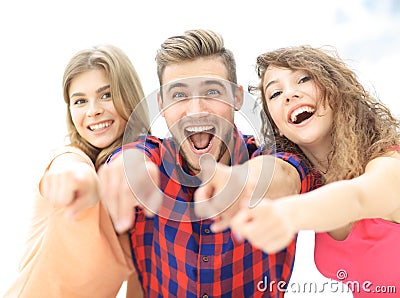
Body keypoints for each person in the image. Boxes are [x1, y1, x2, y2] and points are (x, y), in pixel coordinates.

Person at [99, 29, 319, 298]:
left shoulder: (271, 158)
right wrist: (129, 169)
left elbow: (285, 175)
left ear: (237, 98)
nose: (196, 110)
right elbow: (131, 156)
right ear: (161, 103)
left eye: (212, 91)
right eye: (178, 95)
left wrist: (241, 181)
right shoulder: (152, 157)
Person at [227, 46, 400, 297]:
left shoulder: (389, 160)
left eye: (304, 79)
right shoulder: (311, 185)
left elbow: (358, 198)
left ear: (335, 90)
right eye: (275, 93)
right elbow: (274, 173)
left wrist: (284, 215)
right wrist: (234, 179)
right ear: (279, 129)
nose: (289, 95)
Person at [5, 44, 148, 298]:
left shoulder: (137, 192)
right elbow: (71, 171)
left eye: (106, 95)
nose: (93, 110)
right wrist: (82, 183)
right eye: (80, 101)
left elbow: (140, 287)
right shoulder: (70, 158)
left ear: (129, 96)